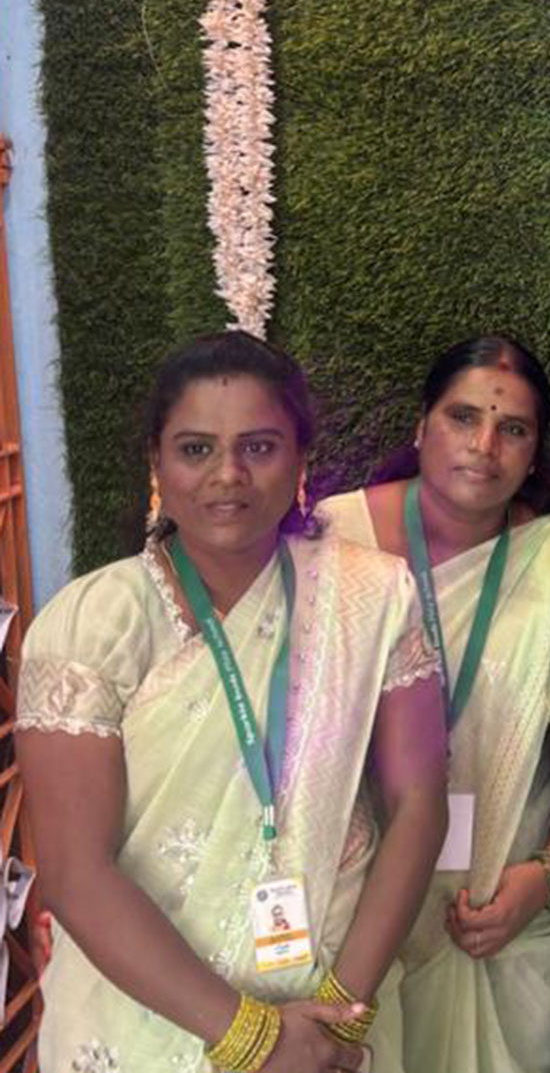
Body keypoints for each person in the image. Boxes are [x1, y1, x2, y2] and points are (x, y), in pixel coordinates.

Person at [19, 331, 448, 1072]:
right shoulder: (94, 623)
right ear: (157, 462)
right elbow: (76, 872)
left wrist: (340, 1016)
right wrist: (254, 1038)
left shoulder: (371, 597)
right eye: (196, 449)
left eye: (259, 447)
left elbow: (419, 803)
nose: (228, 475)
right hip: (143, 1027)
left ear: (301, 457)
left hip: (332, 1013)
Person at [314, 336, 550, 1073]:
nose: (484, 446)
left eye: (513, 428)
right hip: (352, 914)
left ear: (534, 452)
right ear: (421, 426)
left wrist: (548, 875)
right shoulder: (333, 541)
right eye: (463, 417)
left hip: (510, 923)